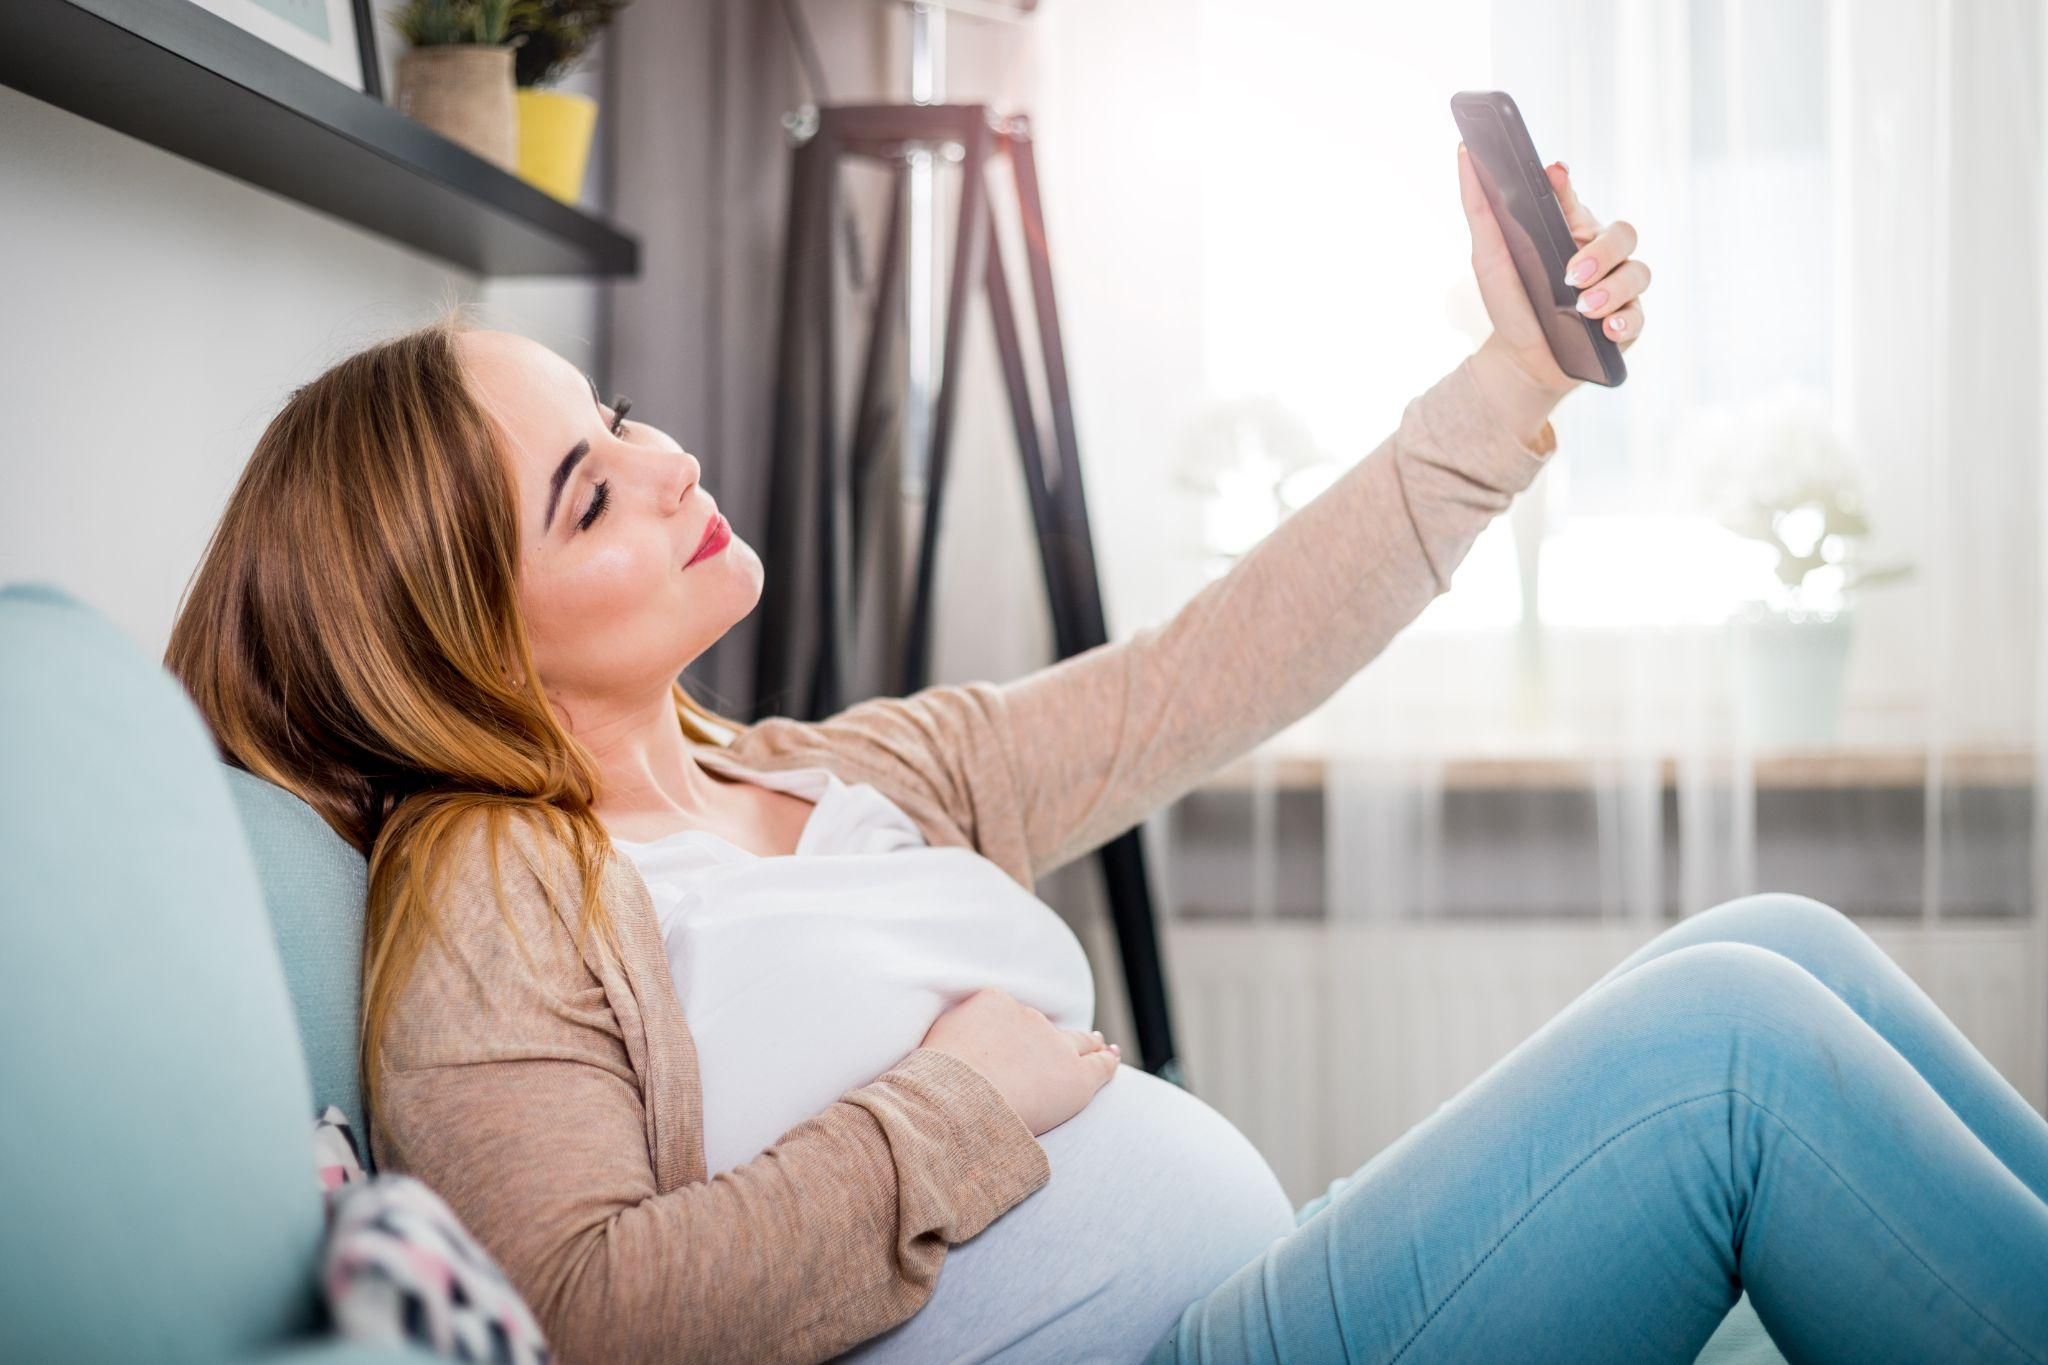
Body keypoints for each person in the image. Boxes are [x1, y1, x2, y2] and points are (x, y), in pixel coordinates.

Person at [159, 141, 2046, 1365]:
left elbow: (1201, 673)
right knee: (1728, 1053)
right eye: (588, 494)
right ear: (465, 643)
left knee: (1776, 942)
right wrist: (953, 1104)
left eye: (621, 416)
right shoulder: (494, 892)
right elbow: (573, 1314)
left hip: (1245, 1290)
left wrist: (1514, 380)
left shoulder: (822, 769)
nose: (665, 462)